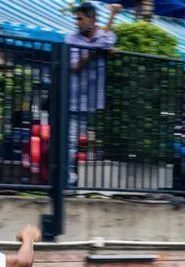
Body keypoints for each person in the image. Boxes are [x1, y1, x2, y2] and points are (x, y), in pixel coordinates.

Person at [65, 2, 122, 185]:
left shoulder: (104, 36)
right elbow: (74, 66)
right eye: (77, 19)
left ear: (91, 20)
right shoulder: (71, 39)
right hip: (73, 101)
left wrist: (112, 17)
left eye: (81, 19)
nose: (77, 23)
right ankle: (68, 181)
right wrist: (91, 52)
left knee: (90, 145)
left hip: (93, 101)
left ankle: (87, 182)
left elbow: (108, 40)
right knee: (70, 143)